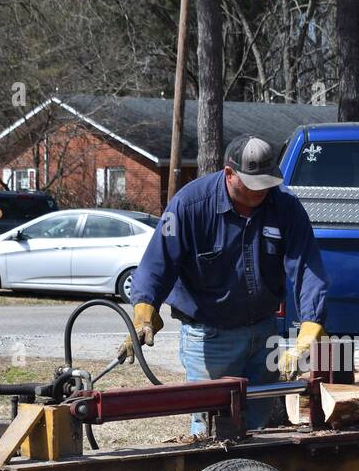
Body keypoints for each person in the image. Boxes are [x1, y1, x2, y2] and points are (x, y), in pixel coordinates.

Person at [120, 134, 329, 435]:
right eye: (253, 184)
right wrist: (144, 310)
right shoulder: (189, 206)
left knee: (258, 424)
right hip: (210, 336)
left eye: (267, 183)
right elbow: (157, 264)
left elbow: (309, 268)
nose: (262, 192)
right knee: (211, 429)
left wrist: (311, 324)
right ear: (229, 174)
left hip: (263, 331)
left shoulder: (286, 208)